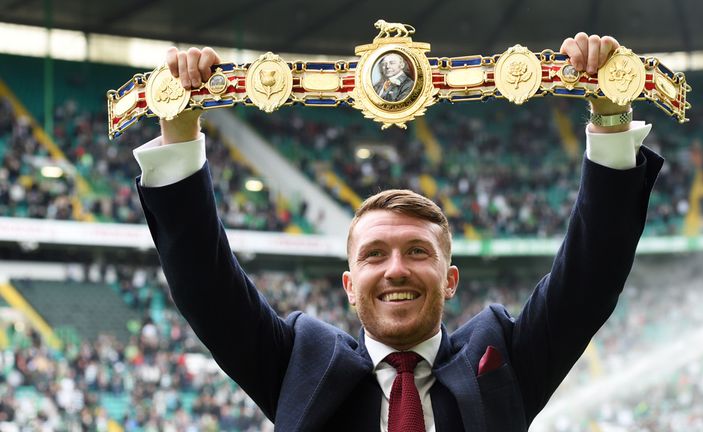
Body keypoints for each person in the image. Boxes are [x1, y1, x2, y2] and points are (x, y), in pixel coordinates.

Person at [133, 32, 663, 431]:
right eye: (374, 255)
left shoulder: (503, 359)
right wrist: (180, 131)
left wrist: (611, 117)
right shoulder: (299, 363)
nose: (395, 269)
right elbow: (206, 286)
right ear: (348, 285)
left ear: (450, 279)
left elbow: (589, 279)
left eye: (417, 251)